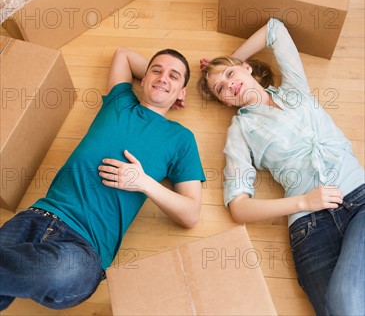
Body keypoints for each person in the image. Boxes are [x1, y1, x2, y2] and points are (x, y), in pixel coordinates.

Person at [0, 47, 206, 311]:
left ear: (183, 93)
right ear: (142, 79)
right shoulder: (120, 100)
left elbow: (191, 214)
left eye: (174, 76)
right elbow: (123, 54)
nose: (163, 77)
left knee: (60, 274)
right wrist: (163, 81)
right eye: (156, 70)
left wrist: (143, 182)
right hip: (36, 216)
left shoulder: (181, 139)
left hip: (83, 247)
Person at [199, 18, 364, 316]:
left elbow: (274, 29)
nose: (229, 84)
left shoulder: (295, 87)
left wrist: (226, 61)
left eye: (231, 73)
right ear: (224, 102)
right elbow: (238, 206)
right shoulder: (240, 130)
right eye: (220, 88)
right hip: (310, 227)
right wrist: (303, 201)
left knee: (345, 297)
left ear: (247, 67)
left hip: (359, 199)